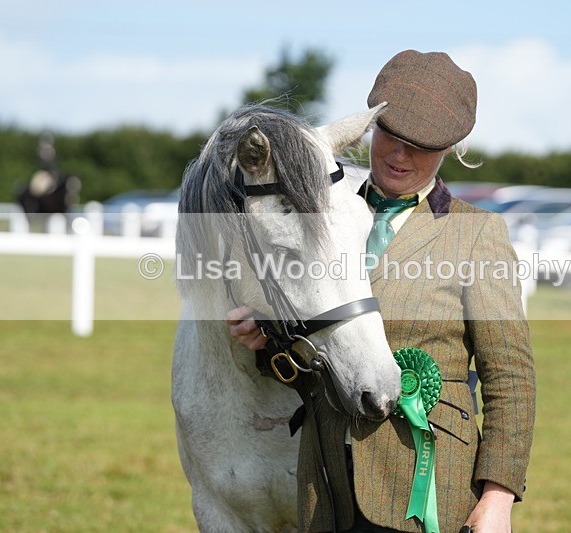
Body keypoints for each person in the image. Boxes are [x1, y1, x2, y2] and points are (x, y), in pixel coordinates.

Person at [228, 50, 536, 533]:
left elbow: (511, 379)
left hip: (428, 488)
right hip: (325, 483)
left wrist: (498, 497)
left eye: (421, 145)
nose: (399, 155)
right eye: (389, 135)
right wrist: (264, 341)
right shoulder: (314, 219)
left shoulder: (478, 235)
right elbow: (311, 356)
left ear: (451, 148)